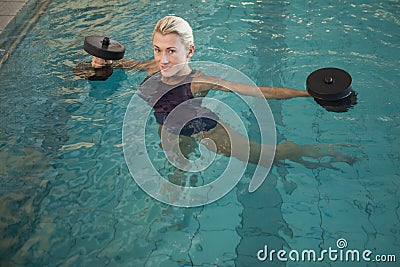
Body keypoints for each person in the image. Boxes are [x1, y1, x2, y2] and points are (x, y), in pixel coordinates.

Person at [74, 16, 355, 182]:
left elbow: (257, 91)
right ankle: (175, 217)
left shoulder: (199, 81)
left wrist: (306, 94)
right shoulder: (153, 66)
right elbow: (128, 64)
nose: (163, 58)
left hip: (208, 132)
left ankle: (320, 151)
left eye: (171, 51)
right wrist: (102, 63)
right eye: (158, 50)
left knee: (271, 157)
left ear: (190, 51)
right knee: (177, 174)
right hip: (169, 130)